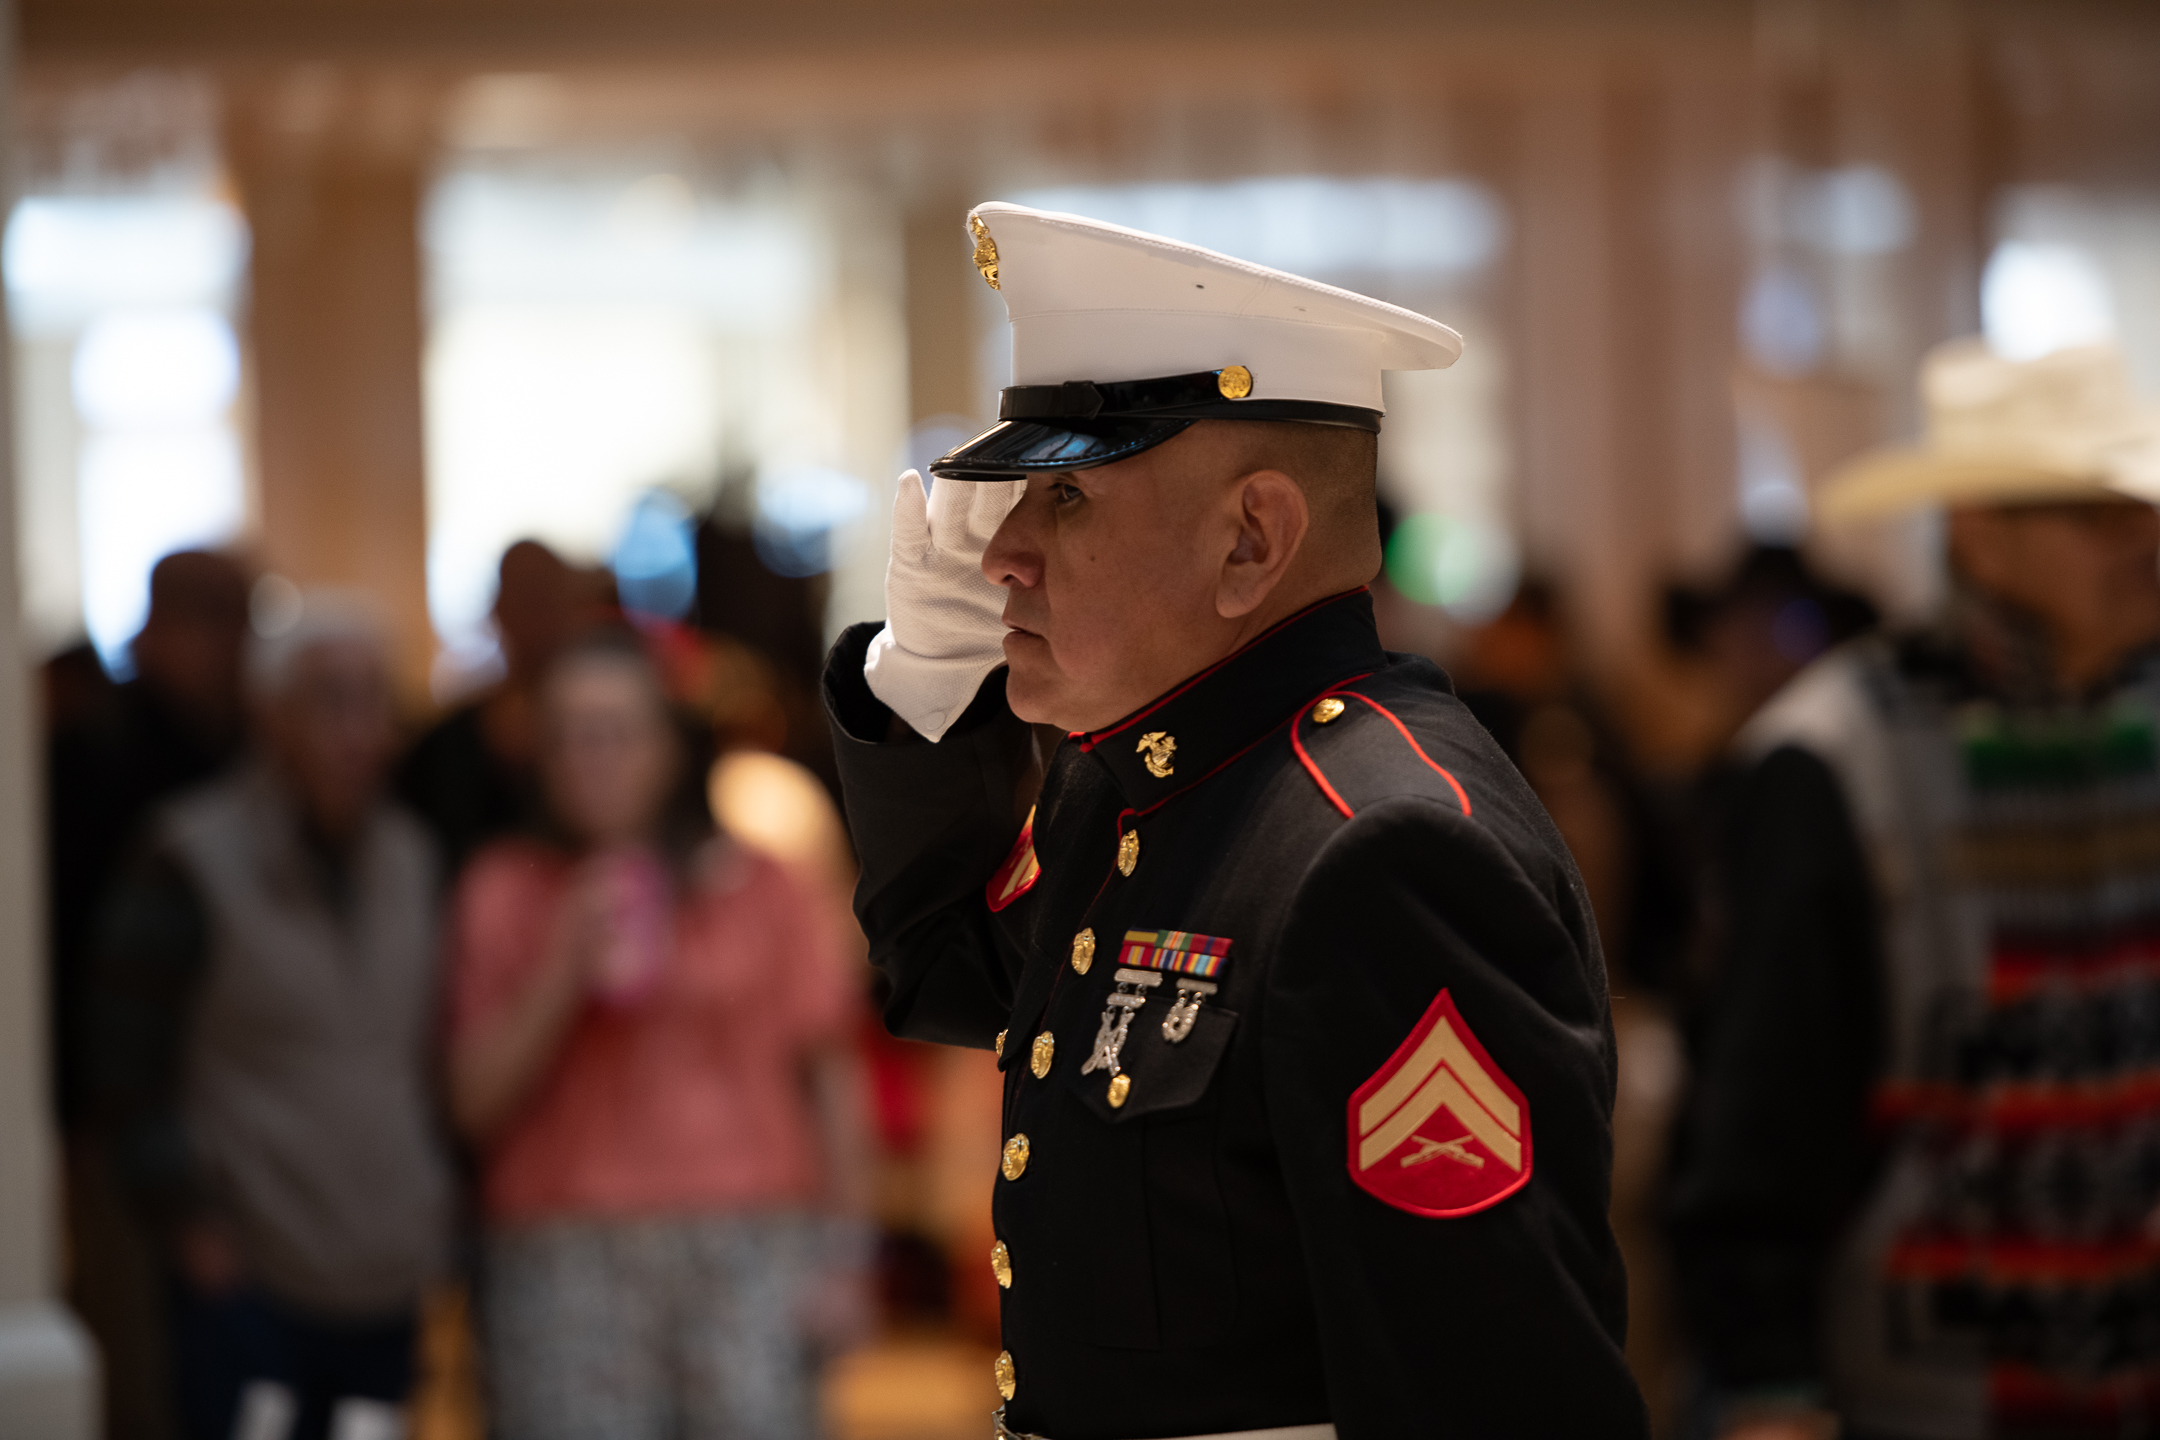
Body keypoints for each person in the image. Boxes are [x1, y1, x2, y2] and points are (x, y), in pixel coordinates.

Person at [824, 202, 1647, 1438]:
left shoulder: (1381, 850)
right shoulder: (1146, 785)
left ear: (1253, 540)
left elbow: (1491, 1392)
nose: (1002, 553)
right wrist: (926, 681)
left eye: (1068, 498)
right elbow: (942, 969)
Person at [1665, 339, 2160, 1440]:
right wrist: (1771, 1391)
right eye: (2100, 514)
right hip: (1917, 1397)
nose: (2146, 540)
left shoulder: (2145, 715)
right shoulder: (1830, 763)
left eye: (2146, 508)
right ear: (1981, 533)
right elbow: (1756, 1134)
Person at [444, 631, 869, 1440]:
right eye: (569, 737)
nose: (592, 759)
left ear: (672, 746)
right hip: (563, 1251)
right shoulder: (502, 890)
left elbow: (831, 1078)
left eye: (617, 733)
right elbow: (470, 1104)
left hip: (749, 1242)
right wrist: (561, 965)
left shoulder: (761, 884)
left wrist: (849, 1257)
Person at [83, 594, 454, 1440]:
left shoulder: (414, 857)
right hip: (251, 1278)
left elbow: (426, 1058)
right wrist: (191, 1230)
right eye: (332, 701)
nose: (359, 730)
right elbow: (124, 1065)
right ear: (272, 716)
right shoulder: (187, 854)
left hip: (383, 1274)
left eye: (376, 702)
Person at [397, 539, 602, 877]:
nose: (535, 612)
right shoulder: (443, 748)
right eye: (521, 595)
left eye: (544, 594)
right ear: (497, 609)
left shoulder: (610, 739)